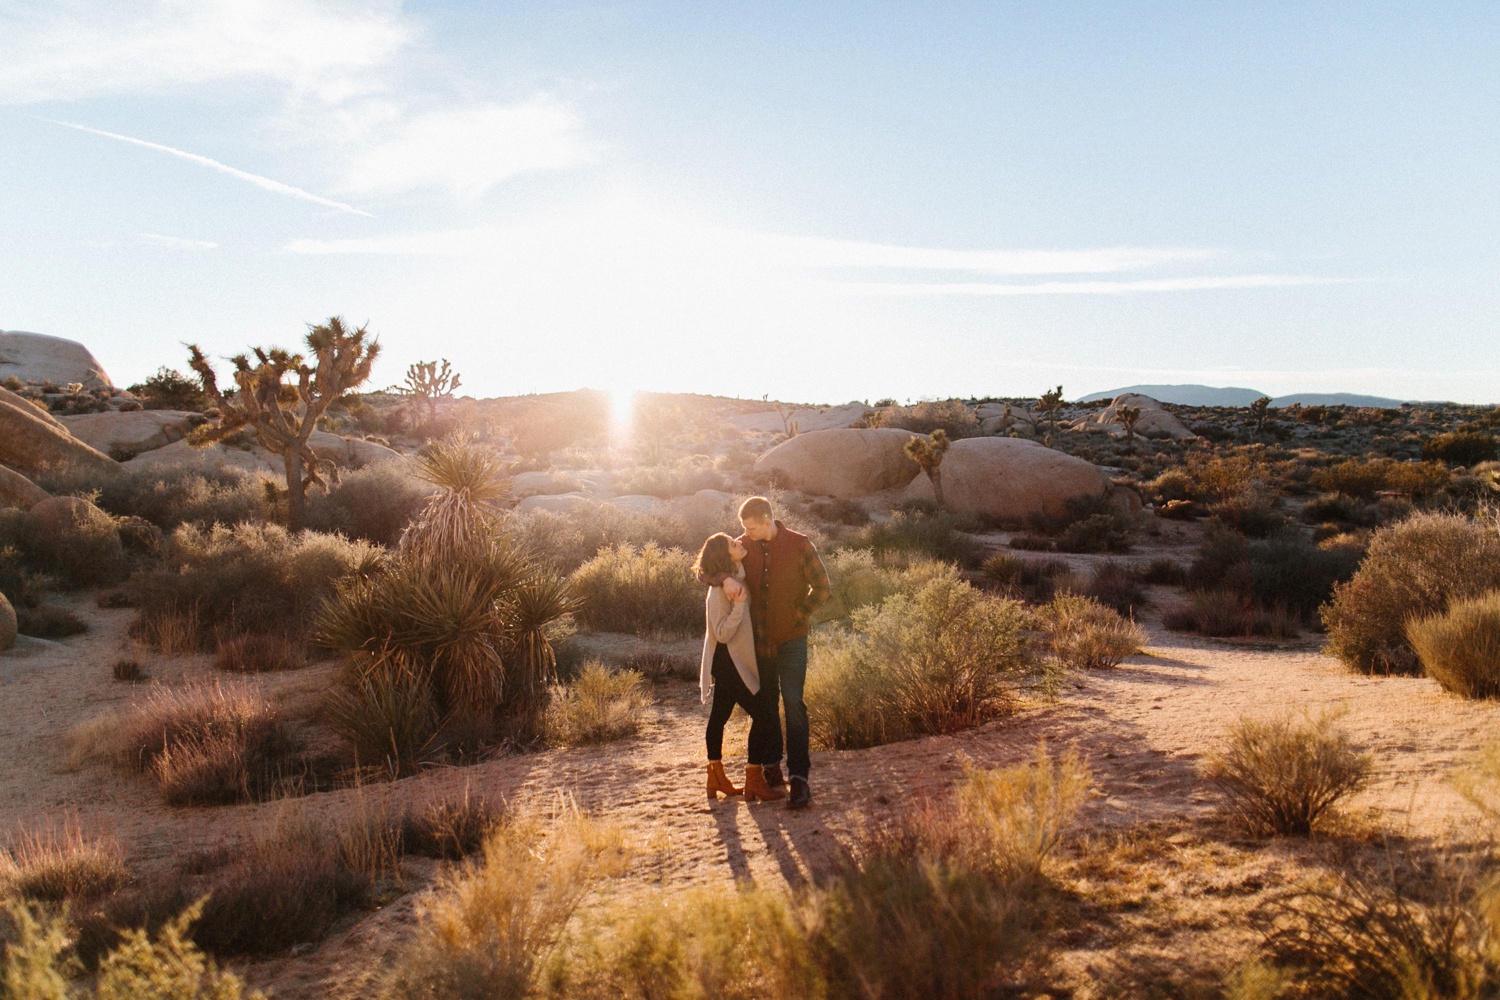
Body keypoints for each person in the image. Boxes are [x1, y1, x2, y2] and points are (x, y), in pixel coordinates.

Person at [736, 496, 830, 809]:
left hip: (792, 640)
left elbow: (822, 587)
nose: (746, 534)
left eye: (751, 528)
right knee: (766, 704)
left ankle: (800, 779)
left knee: (793, 703)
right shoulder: (742, 545)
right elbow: (704, 569)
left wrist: (799, 614)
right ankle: (771, 767)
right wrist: (723, 580)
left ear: (767, 521)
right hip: (759, 643)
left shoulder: (800, 545)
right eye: (744, 529)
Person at [694, 532, 786, 802]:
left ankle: (716, 778)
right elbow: (721, 633)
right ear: (725, 555)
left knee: (720, 716)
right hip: (729, 661)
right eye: (734, 544)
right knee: (765, 715)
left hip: (731, 661)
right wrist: (739, 607)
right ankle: (753, 778)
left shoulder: (732, 580)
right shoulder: (722, 591)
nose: (739, 543)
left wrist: (728, 578)